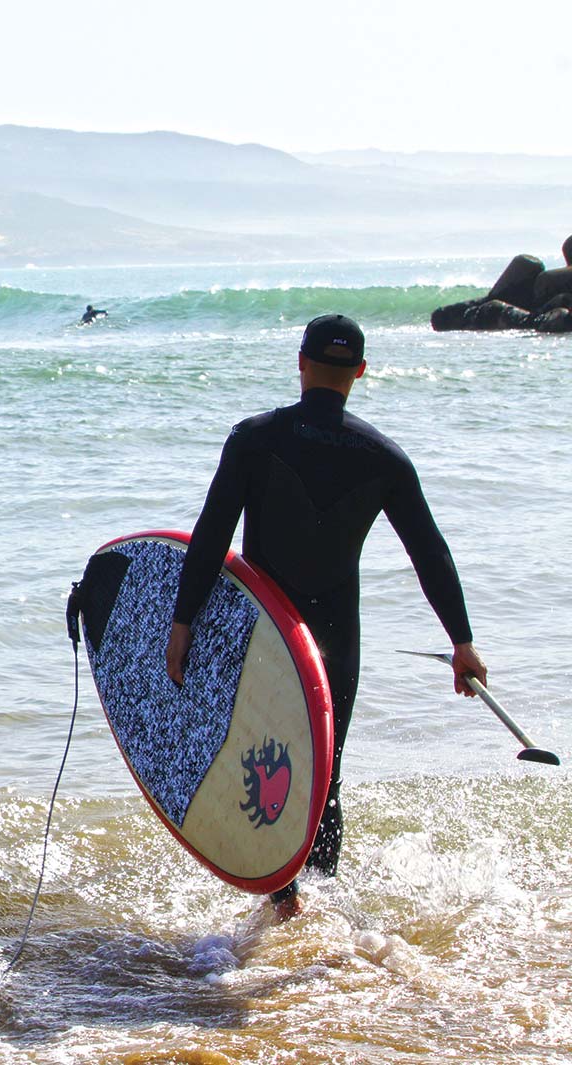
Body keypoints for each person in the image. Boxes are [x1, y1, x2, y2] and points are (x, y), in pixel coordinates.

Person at [165, 313, 485, 919]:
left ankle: (279, 899)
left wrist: (182, 623)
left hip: (265, 631)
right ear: (359, 372)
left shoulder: (255, 439)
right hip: (335, 639)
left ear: (301, 362)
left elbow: (211, 536)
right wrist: (462, 642)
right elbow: (429, 553)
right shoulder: (384, 458)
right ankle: (317, 910)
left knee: (255, 754)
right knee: (324, 773)